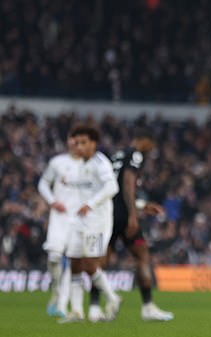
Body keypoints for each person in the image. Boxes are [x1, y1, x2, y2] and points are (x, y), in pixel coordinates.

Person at [88, 128, 174, 322]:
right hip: (124, 216)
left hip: (107, 214)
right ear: (145, 141)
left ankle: (94, 308)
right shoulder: (135, 155)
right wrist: (133, 215)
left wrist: (142, 205)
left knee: (102, 261)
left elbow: (113, 189)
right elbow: (127, 183)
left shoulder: (116, 155)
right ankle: (148, 307)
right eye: (150, 146)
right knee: (142, 255)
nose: (151, 150)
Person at [61, 125, 121, 323]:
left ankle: (112, 298)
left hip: (97, 221)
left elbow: (112, 187)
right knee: (75, 262)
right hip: (80, 220)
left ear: (93, 144)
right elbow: (84, 186)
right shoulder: (80, 164)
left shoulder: (100, 163)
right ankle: (77, 311)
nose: (79, 146)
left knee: (89, 264)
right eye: (77, 143)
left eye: (83, 143)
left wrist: (90, 204)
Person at [37, 135, 83, 318]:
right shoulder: (57, 162)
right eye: (72, 140)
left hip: (78, 219)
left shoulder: (89, 166)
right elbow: (43, 184)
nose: (75, 144)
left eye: (79, 141)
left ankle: (63, 302)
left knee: (72, 260)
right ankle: (56, 290)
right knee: (54, 257)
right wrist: (52, 201)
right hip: (59, 217)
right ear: (68, 142)